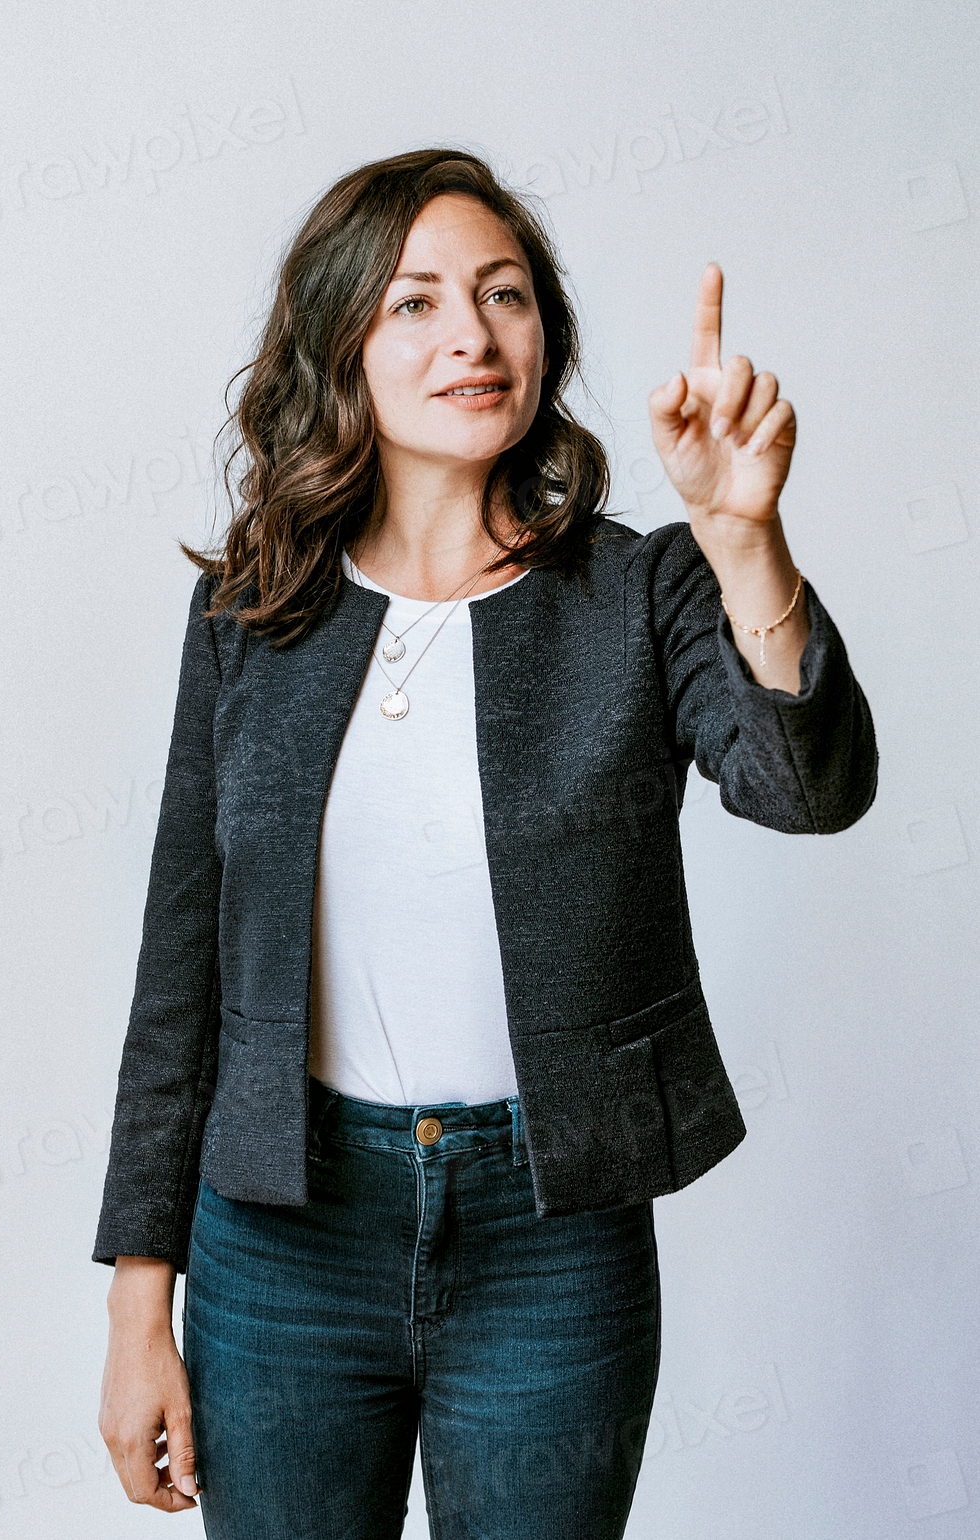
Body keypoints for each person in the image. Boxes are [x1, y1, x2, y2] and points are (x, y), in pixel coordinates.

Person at [93, 148, 877, 1539]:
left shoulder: (640, 587)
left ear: (544, 336)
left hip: (550, 1234)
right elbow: (181, 964)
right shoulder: (251, 614)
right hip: (281, 1238)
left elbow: (808, 790)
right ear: (341, 343)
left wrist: (748, 540)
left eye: (505, 295)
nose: (473, 334)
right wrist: (138, 1305)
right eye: (418, 303)